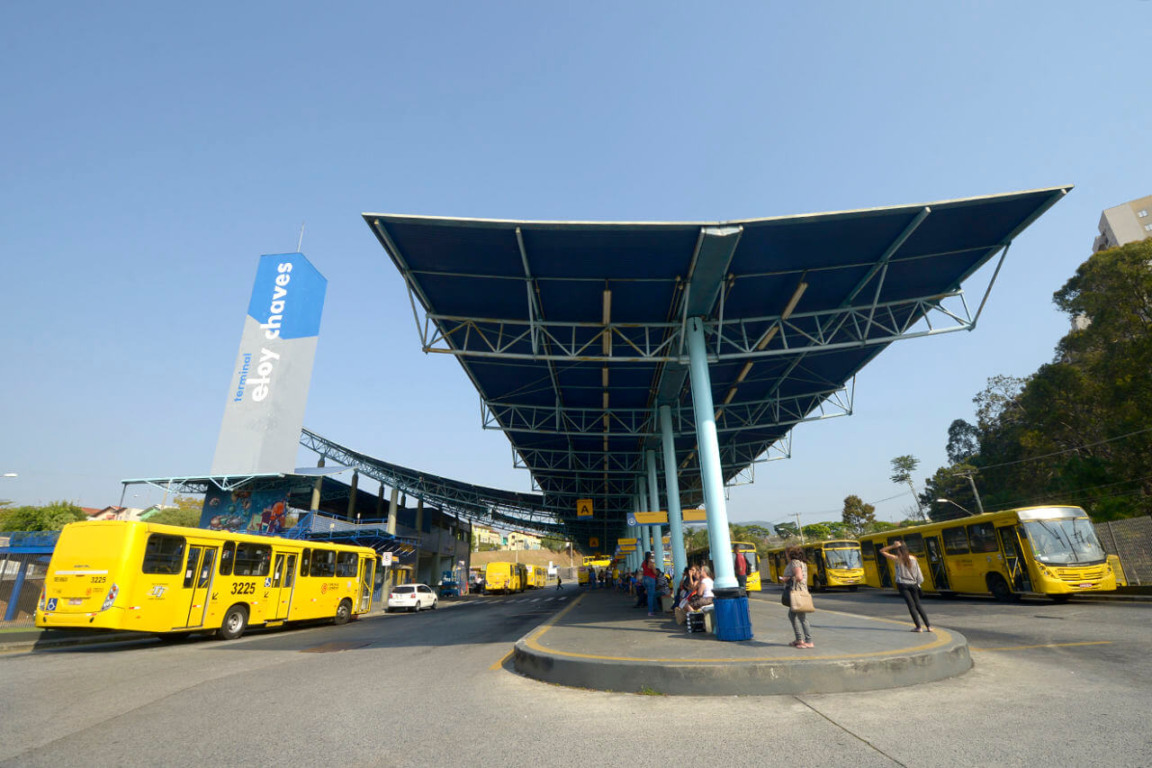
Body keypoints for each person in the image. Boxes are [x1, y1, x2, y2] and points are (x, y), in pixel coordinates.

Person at [881, 541, 933, 632]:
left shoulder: (897, 559)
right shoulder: (913, 558)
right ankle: (928, 626)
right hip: (914, 584)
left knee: (911, 606)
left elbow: (882, 551)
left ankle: (918, 627)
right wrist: (918, 583)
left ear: (899, 551)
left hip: (903, 584)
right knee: (918, 605)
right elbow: (918, 573)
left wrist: (893, 546)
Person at [780, 546, 813, 648]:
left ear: (789, 553)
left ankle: (809, 641)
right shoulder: (800, 562)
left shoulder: (795, 562)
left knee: (802, 618)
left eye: (786, 553)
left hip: (798, 593)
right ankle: (799, 639)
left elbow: (799, 577)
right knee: (792, 615)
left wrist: (786, 578)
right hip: (798, 592)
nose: (785, 555)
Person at [641, 551, 660, 616]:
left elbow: (643, 571)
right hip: (650, 579)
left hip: (644, 579)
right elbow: (654, 572)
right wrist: (657, 573)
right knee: (650, 596)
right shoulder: (651, 563)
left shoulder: (643, 563)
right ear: (650, 556)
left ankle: (655, 608)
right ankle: (650, 611)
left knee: (650, 595)